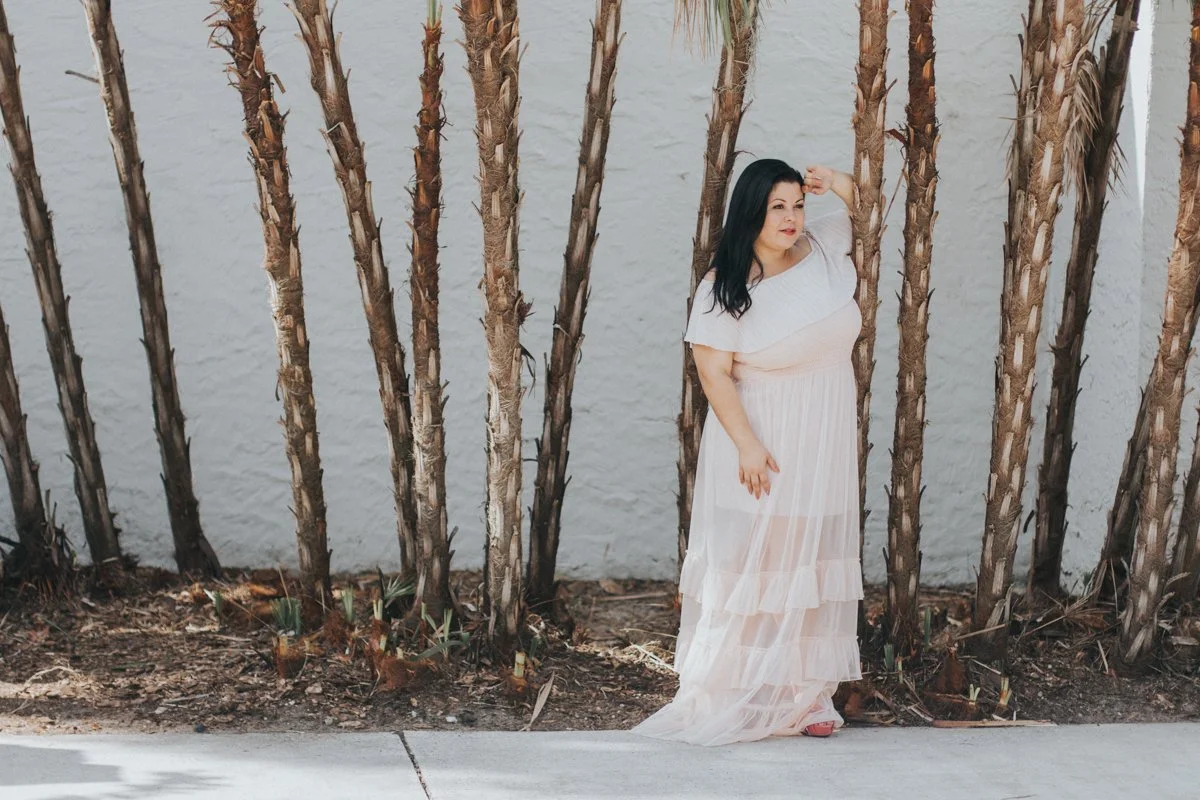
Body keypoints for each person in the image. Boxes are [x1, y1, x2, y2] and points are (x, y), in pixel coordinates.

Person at [633, 158, 863, 746]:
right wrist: (748, 446)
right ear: (751, 212)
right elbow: (712, 373)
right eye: (775, 207)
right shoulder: (725, 285)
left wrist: (833, 181)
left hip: (826, 432)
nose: (789, 218)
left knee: (812, 560)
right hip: (761, 436)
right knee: (761, 561)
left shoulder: (824, 246)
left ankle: (810, 694)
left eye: (796, 204)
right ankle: (743, 689)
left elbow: (871, 207)